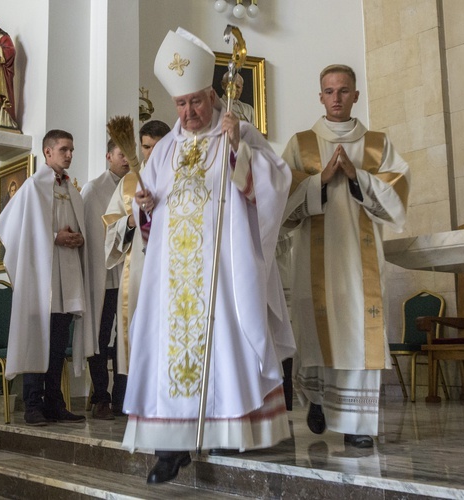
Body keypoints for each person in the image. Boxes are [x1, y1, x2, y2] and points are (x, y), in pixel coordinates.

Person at [122, 27, 295, 484]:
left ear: (212, 94)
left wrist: (240, 149)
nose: (188, 112)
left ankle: (224, 428)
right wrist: (145, 206)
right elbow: (151, 208)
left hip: (222, 270)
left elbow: (274, 188)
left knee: (223, 348)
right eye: (180, 104)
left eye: (195, 101)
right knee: (163, 348)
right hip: (172, 276)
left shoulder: (236, 131)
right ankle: (169, 448)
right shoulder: (164, 151)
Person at [281, 64, 410, 449]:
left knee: (358, 333)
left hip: (360, 266)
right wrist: (318, 182)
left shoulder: (377, 145)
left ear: (356, 95)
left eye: (344, 90)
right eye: (329, 91)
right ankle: (318, 400)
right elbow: (280, 206)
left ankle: (357, 425)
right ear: (319, 96)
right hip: (313, 264)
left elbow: (398, 196)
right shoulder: (301, 144)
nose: (336, 98)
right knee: (317, 332)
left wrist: (358, 176)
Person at [0, 129, 94, 426]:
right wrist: (53, 237)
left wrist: (78, 239)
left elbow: (78, 227)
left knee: (58, 340)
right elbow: (7, 228)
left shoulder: (73, 190)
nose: (69, 154)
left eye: (72, 149)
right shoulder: (31, 188)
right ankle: (32, 404)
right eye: (64, 149)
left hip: (67, 277)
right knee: (38, 339)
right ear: (48, 152)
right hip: (42, 279)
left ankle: (55, 402)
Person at [102, 119, 170, 413]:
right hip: (139, 271)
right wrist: (132, 219)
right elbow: (110, 224)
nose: (150, 153)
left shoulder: (183, 176)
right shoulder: (130, 183)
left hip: (174, 270)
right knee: (139, 331)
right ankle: (137, 400)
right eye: (145, 147)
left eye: (157, 146)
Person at [81, 140, 131, 420]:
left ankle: (123, 397)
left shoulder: (136, 184)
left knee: (125, 338)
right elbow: (90, 235)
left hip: (127, 273)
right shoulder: (93, 189)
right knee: (99, 338)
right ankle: (101, 395)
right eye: (121, 155)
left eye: (128, 155)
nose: (126, 160)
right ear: (108, 156)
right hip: (102, 275)